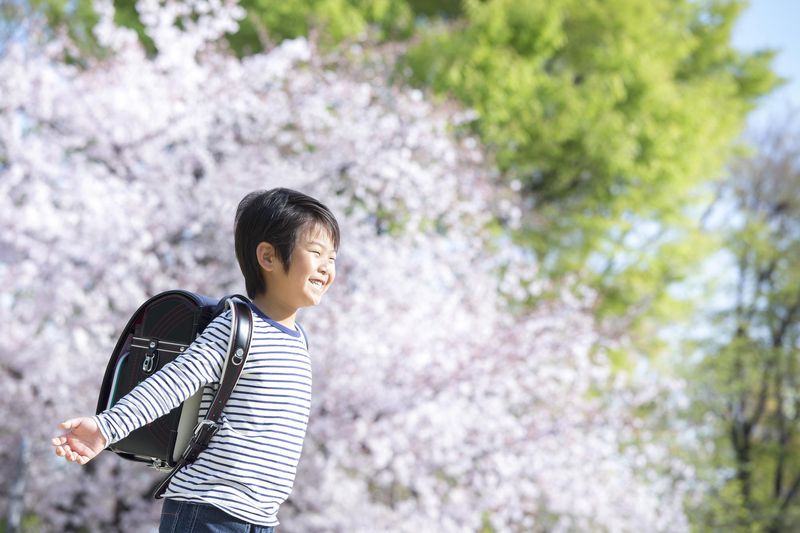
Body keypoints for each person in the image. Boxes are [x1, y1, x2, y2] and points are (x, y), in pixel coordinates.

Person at [51, 188, 339, 533]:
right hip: (209, 509)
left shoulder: (299, 342)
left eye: (333, 258)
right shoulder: (238, 326)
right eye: (316, 252)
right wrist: (106, 428)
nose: (326, 267)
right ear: (268, 257)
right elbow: (172, 382)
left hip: (259, 519)